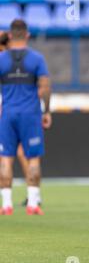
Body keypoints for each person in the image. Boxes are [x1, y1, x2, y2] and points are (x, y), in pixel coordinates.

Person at [0, 20, 51, 216]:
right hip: (30, 114)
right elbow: (45, 87)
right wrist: (46, 111)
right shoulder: (37, 59)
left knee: (5, 159)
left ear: (10, 36)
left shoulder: (2, 59)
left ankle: (6, 205)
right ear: (27, 35)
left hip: (8, 114)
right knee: (33, 159)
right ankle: (33, 203)